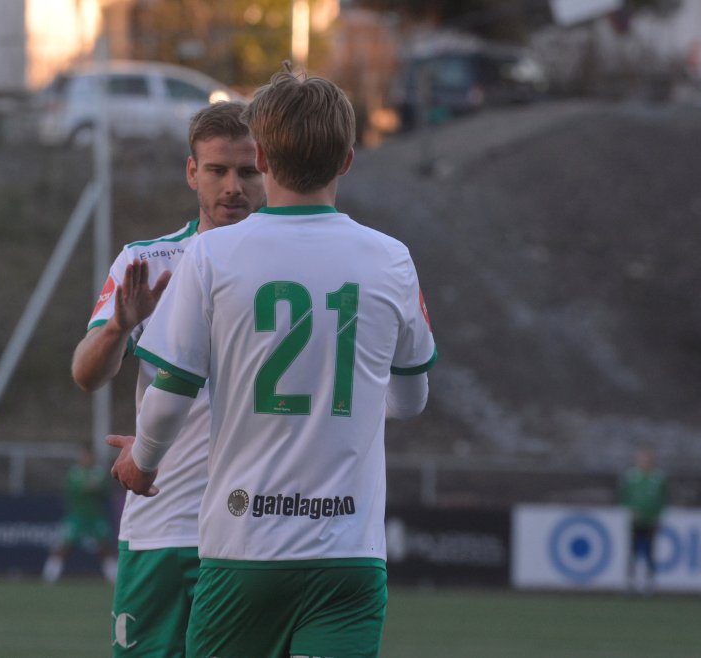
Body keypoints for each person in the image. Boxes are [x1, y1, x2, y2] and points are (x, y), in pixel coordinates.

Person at [107, 69, 436, 658]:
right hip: (347, 553)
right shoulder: (392, 259)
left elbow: (172, 392)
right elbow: (411, 400)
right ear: (347, 161)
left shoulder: (211, 253)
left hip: (244, 549)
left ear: (260, 157)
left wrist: (143, 461)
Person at [71, 100, 264, 655]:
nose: (233, 187)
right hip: (159, 524)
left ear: (269, 172)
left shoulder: (289, 270)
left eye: (248, 171)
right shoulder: (148, 261)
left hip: (251, 532)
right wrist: (117, 329)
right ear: (191, 172)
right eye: (217, 170)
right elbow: (87, 374)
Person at [42, 446, 117, 583]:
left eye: (89, 456)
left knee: (105, 547)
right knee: (64, 545)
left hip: (96, 516)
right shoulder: (75, 472)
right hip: (77, 516)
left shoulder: (99, 472)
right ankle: (49, 577)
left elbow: (106, 491)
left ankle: (115, 578)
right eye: (84, 456)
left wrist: (96, 488)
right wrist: (87, 487)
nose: (86, 459)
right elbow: (71, 490)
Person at [619, 446, 669, 595]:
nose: (645, 461)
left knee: (650, 553)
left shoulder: (659, 478)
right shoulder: (631, 476)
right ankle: (630, 583)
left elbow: (664, 499)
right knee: (633, 552)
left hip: (651, 521)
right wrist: (631, 510)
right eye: (642, 458)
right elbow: (623, 496)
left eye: (647, 458)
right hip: (635, 521)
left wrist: (658, 516)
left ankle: (649, 583)